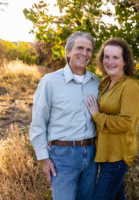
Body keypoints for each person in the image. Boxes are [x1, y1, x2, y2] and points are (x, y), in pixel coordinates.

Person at [29, 32, 99, 200]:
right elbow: (38, 122)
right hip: (62, 155)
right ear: (68, 52)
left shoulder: (96, 82)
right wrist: (44, 157)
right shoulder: (50, 81)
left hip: (91, 154)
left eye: (89, 50)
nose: (84, 53)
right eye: (79, 48)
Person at [86, 38, 139, 200]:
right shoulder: (105, 82)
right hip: (104, 151)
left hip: (118, 156)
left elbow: (125, 123)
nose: (110, 62)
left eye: (115, 57)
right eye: (106, 56)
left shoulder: (130, 86)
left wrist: (97, 115)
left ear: (125, 61)